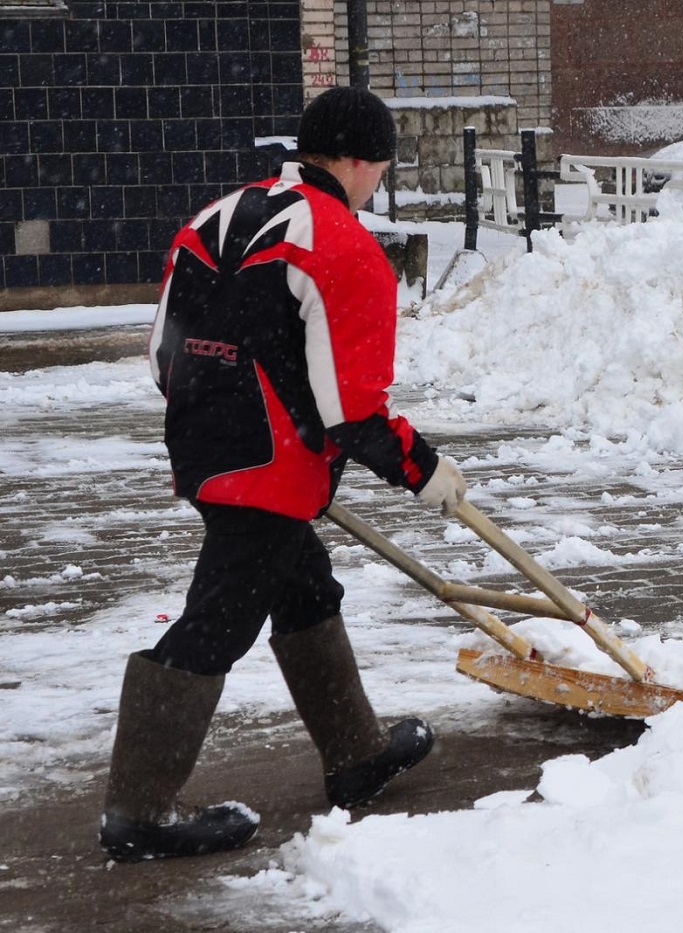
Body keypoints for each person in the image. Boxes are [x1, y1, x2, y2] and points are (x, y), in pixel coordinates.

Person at [99, 86, 468, 863]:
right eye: (382, 167)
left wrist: (220, 422)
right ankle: (138, 812)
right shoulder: (342, 245)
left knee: (304, 587)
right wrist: (423, 468)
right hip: (270, 465)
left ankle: (356, 754)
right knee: (218, 622)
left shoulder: (216, 216)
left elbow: (165, 354)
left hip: (203, 446)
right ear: (362, 161)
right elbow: (354, 412)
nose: (377, 183)